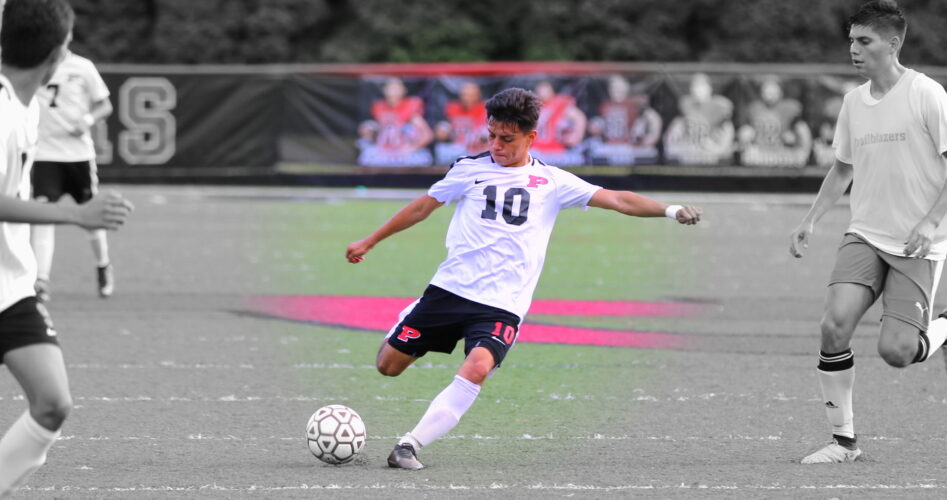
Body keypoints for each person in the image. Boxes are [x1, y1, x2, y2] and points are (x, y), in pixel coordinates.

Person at [345, 87, 702, 470]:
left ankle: (408, 445)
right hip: (450, 290)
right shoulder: (468, 170)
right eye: (491, 136)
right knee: (388, 366)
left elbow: (618, 199)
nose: (496, 146)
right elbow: (421, 208)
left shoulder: (552, 181)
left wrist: (670, 210)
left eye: (507, 139)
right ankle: (410, 314)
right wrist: (370, 240)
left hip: (503, 305)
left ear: (531, 137)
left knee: (478, 367)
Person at [790, 0, 947, 464]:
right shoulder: (852, 102)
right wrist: (811, 219)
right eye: (852, 41)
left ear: (893, 43)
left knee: (898, 352)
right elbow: (842, 169)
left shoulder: (927, 94)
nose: (854, 49)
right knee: (833, 325)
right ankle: (844, 443)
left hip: (918, 243)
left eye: (864, 41)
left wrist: (932, 221)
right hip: (865, 234)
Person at [0, 0, 133, 495]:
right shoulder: (2, 111)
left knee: (52, 403)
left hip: (10, 286)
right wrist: (75, 214)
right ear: (57, 55)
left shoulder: (26, 106)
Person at [31, 49, 114, 302]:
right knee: (43, 215)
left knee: (91, 217)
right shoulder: (33, 63)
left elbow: (105, 105)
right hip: (44, 154)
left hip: (78, 156)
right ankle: (41, 280)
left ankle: (103, 265)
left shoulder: (82, 67)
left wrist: (87, 120)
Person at [356, 77, 434, 167]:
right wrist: (368, 131)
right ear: (384, 90)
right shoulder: (378, 107)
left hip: (403, 152)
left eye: (396, 88)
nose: (392, 91)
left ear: (403, 90)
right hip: (383, 151)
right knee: (366, 154)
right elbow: (372, 131)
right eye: (390, 88)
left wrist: (412, 148)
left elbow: (428, 135)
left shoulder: (411, 107)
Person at [737, 76, 813, 167]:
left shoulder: (790, 108)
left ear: (780, 93)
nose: (770, 95)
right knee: (746, 136)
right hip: (760, 151)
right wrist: (747, 138)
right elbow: (747, 133)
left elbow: (798, 131)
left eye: (773, 91)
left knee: (802, 132)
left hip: (781, 150)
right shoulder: (754, 108)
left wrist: (792, 137)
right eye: (767, 91)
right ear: (761, 92)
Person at [586, 75, 662, 165]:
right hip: (609, 146)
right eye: (613, 88)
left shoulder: (633, 104)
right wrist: (595, 126)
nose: (616, 91)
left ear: (625, 89)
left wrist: (651, 136)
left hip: (628, 146)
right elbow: (595, 124)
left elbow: (653, 117)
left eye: (618, 88)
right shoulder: (605, 106)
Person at [663, 73, 735, 165]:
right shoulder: (686, 104)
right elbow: (679, 127)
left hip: (712, 145)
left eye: (701, 86)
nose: (697, 90)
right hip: (692, 146)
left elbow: (727, 128)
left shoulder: (720, 105)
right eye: (694, 87)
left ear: (709, 88)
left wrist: (717, 147)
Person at [530, 80, 586, 166]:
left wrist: (576, 137)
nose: (542, 91)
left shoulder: (559, 103)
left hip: (557, 150)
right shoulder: (533, 106)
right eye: (540, 88)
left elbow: (579, 118)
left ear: (551, 89)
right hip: (537, 150)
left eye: (545, 88)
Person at [433, 81, 487, 165]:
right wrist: (443, 130)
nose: (465, 98)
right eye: (463, 94)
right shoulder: (452, 107)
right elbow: (443, 127)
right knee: (441, 149)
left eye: (470, 95)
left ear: (478, 95)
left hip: (476, 150)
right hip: (456, 148)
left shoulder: (485, 109)